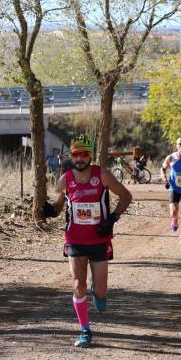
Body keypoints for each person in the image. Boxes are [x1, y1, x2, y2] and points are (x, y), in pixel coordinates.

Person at [40, 134, 132, 348]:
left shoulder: (103, 175)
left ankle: (97, 290)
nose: (79, 158)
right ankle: (85, 330)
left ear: (90, 155)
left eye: (83, 154)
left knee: (100, 292)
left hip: (99, 239)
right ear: (71, 156)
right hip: (74, 239)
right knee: (77, 285)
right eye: (75, 155)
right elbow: (60, 203)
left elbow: (126, 196)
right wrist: (52, 211)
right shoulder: (65, 179)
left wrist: (112, 219)